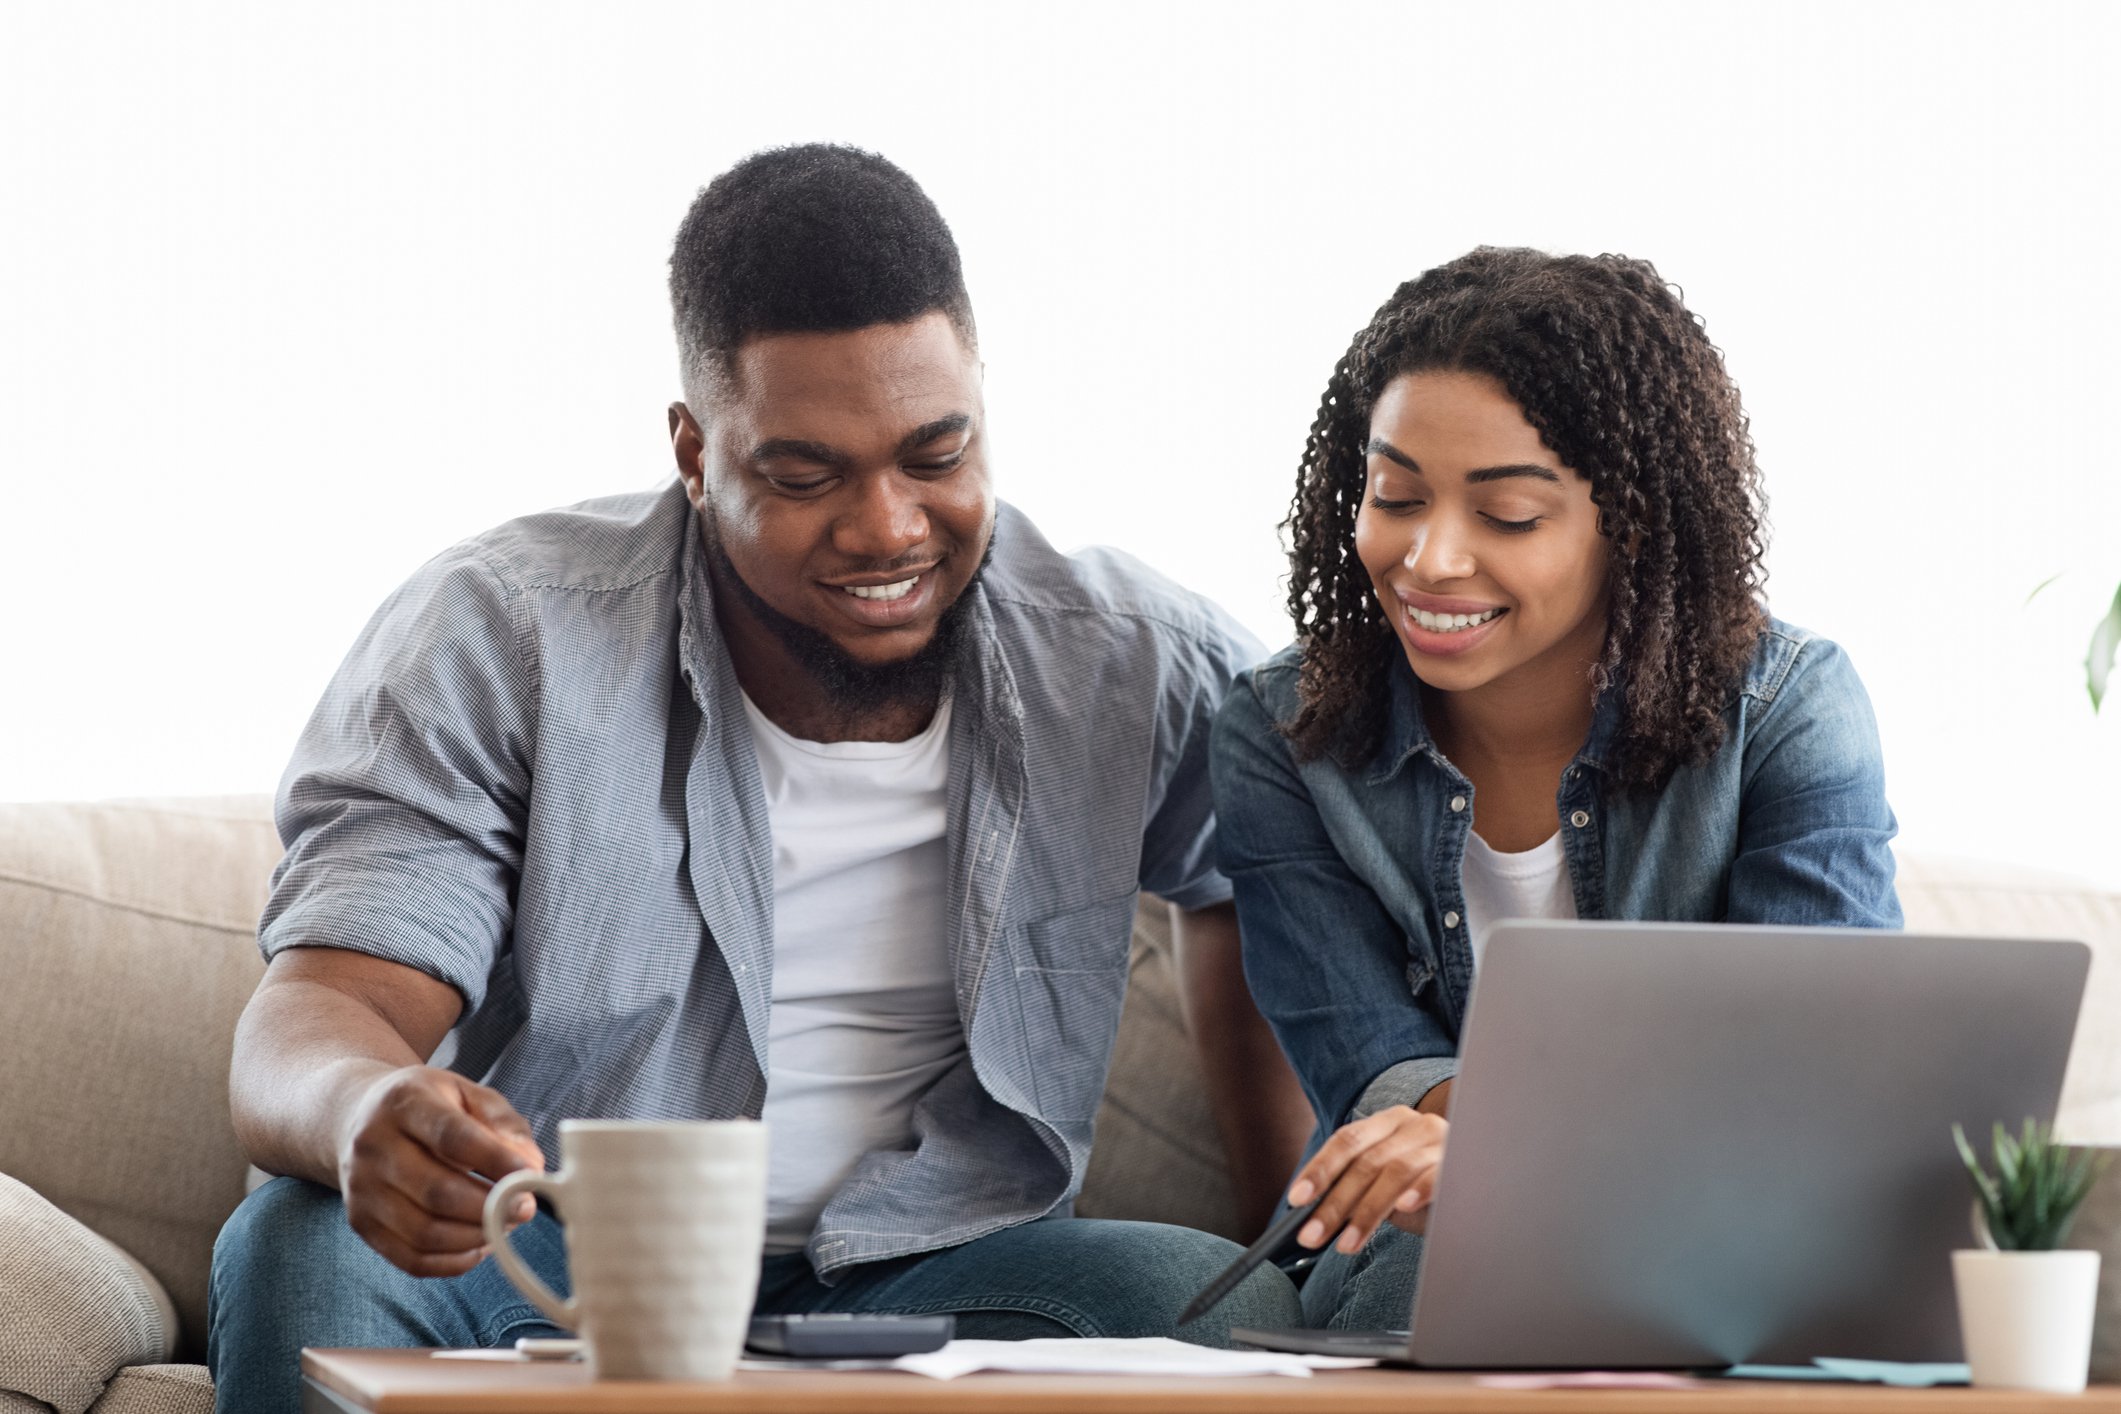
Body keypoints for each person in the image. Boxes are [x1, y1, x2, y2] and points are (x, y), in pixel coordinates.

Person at [207, 144, 1306, 1413]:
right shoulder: (505, 635)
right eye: (805, 475)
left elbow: (1267, 876)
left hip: (942, 1262)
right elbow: (312, 1016)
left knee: (1210, 1297)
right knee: (307, 1238)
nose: (890, 528)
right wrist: (364, 1113)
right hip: (566, 1253)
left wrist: (1296, 1223)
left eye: (935, 456)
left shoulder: (1133, 663)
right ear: (693, 449)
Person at [1209, 247, 1902, 1332]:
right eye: (1395, 496)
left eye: (1510, 516)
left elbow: (1816, 1076)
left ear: (1631, 522)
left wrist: (1510, 1149)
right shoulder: (1281, 735)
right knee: (1440, 1279)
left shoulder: (1786, 710)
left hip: (1727, 1226)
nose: (1429, 559)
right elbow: (1368, 1059)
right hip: (1413, 1251)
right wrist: (1479, 1161)